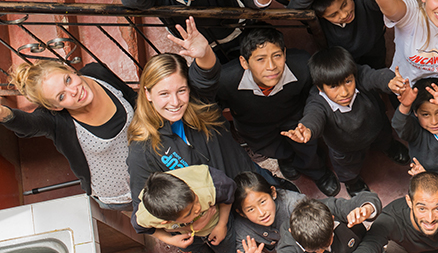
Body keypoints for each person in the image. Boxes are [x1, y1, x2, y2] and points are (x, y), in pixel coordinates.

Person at [127, 18, 285, 211]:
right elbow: (142, 206)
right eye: (164, 94)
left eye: (181, 90)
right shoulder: (143, 149)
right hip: (220, 218)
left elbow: (207, 71)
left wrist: (204, 53)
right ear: (147, 94)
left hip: (255, 184)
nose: (175, 102)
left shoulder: (199, 101)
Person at [191, 27, 340, 197]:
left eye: (277, 56)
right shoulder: (226, 80)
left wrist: (308, 121)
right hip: (255, 128)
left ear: (285, 53)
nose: (271, 67)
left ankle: (317, 172)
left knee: (307, 148)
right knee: (275, 149)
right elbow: (209, 103)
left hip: (294, 118)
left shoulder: (302, 65)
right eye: (260, 59)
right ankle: (287, 159)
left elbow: (314, 95)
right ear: (244, 62)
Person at [1, 61, 136, 210]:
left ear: (69, 69)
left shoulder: (97, 72)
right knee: (149, 224)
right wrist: (3, 113)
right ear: (55, 107)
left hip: (154, 166)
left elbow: (134, 99)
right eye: (61, 96)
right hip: (122, 195)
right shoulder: (57, 120)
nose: (74, 91)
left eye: (68, 80)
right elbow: (29, 124)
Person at [282, 46, 408, 197]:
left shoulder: (359, 75)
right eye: (333, 86)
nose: (344, 92)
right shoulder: (317, 101)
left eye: (348, 81)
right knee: (348, 168)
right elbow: (313, 116)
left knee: (385, 139)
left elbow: (375, 76)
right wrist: (307, 129)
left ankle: (390, 147)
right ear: (320, 88)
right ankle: (353, 182)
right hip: (345, 147)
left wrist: (390, 81)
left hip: (376, 127)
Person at [232, 171, 381, 253]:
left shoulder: (320, 207)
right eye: (313, 251)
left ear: (330, 218)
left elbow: (368, 198)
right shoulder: (288, 238)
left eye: (324, 245)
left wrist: (366, 208)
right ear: (292, 233)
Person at [131, 165, 235, 253]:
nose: (198, 208)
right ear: (168, 221)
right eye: (189, 213)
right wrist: (170, 239)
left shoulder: (211, 185)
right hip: (185, 237)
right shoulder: (144, 217)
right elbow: (141, 228)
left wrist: (222, 225)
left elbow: (228, 196)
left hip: (216, 224)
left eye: (195, 199)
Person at [308, 0, 388, 69]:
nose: (344, 15)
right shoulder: (318, 20)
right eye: (333, 15)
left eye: (344, 4)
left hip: (375, 47)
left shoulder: (363, 0)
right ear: (321, 16)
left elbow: (386, 5)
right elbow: (294, 8)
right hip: (346, 61)